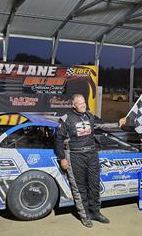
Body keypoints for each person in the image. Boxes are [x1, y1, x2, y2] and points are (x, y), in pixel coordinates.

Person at [55, 94, 110, 228]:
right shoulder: (66, 119)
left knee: (94, 185)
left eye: (84, 102)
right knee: (79, 188)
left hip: (92, 155)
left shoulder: (90, 115)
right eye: (80, 104)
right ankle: (85, 216)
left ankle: (95, 212)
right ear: (73, 105)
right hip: (75, 157)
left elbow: (103, 125)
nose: (83, 105)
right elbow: (58, 139)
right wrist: (62, 158)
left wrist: (118, 123)